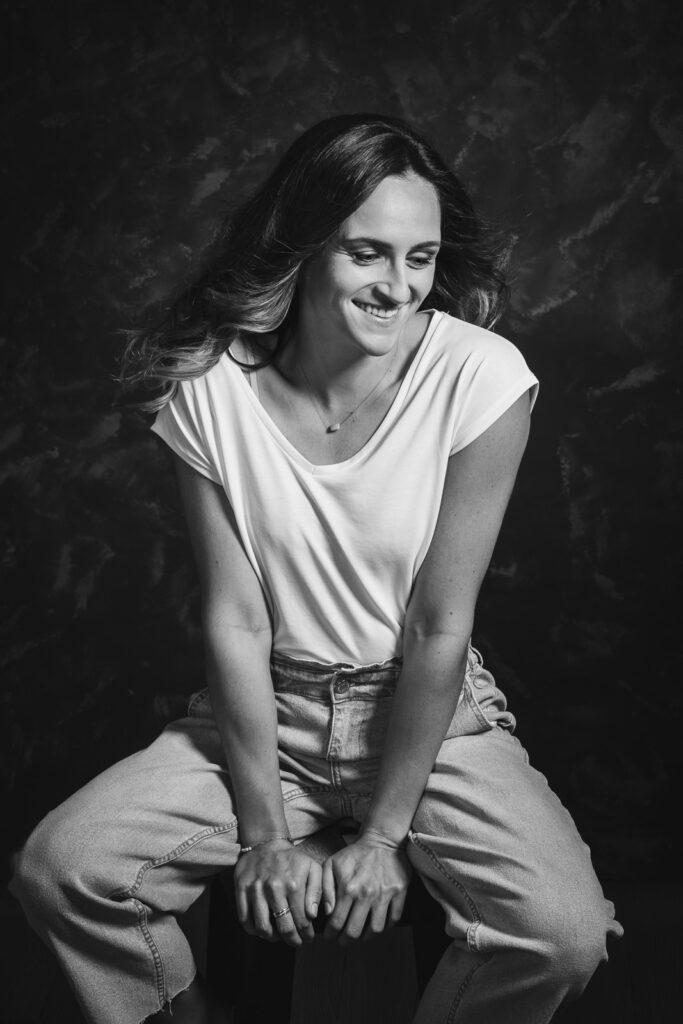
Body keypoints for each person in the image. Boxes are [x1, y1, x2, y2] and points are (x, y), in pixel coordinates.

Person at [10, 113, 622, 1024]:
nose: (399, 286)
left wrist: (383, 831)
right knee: (62, 870)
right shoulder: (208, 386)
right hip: (268, 711)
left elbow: (437, 625)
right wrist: (261, 835)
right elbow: (235, 620)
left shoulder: (480, 378)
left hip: (429, 713)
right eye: (367, 253)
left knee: (563, 929)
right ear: (301, 247)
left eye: (421, 258)